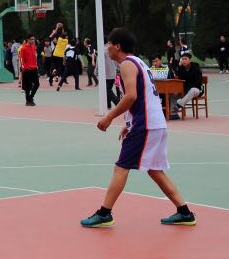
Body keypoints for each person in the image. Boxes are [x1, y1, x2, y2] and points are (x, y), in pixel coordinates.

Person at [81, 29, 196, 228]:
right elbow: (142, 97)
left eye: (109, 44)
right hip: (154, 124)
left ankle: (104, 213)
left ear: (117, 46)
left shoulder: (127, 64)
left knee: (121, 167)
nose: (107, 48)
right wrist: (129, 123)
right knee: (155, 170)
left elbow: (131, 96)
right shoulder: (138, 62)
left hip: (146, 125)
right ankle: (185, 212)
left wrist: (109, 117)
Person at [19, 34, 39, 106]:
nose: (33, 40)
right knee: (28, 86)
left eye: (34, 39)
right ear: (28, 39)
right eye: (32, 39)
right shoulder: (23, 48)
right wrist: (24, 68)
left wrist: (36, 65)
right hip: (27, 69)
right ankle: (28, 101)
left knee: (37, 84)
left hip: (34, 68)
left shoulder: (33, 47)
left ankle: (31, 97)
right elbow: (22, 59)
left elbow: (34, 57)